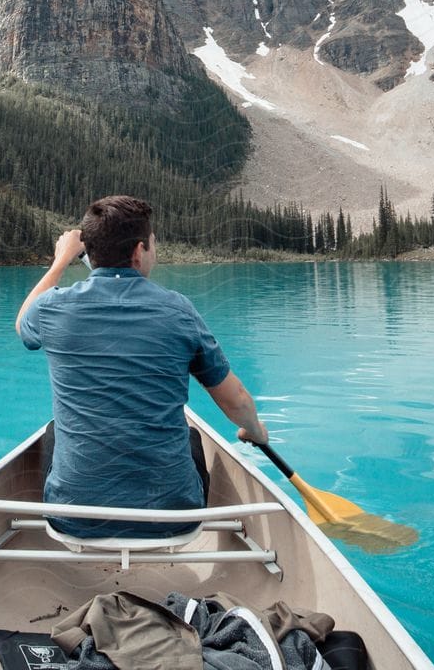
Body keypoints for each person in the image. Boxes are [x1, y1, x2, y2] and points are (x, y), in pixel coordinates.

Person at [15, 195, 270, 539]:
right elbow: (235, 400)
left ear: (88, 255)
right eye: (153, 244)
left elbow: (22, 326)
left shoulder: (53, 308)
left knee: (54, 433)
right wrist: (255, 430)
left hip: (73, 518)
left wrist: (61, 260)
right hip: (173, 518)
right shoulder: (179, 312)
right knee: (191, 437)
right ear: (139, 251)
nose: (155, 251)